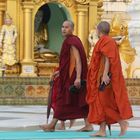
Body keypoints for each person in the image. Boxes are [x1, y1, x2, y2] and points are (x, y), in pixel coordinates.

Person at [40, 20, 93, 132]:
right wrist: (60, 72)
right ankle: (88, 124)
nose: (63, 29)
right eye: (62, 27)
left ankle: (52, 125)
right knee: (79, 100)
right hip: (69, 76)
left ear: (72, 29)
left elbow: (78, 60)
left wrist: (78, 77)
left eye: (67, 27)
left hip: (72, 78)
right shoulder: (69, 41)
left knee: (62, 100)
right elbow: (69, 62)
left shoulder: (72, 41)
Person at [86, 21, 133, 137]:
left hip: (104, 79)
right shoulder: (106, 41)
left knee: (104, 104)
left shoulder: (106, 41)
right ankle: (102, 130)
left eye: (96, 29)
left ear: (98, 30)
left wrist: (105, 74)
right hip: (99, 77)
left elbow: (107, 58)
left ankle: (123, 123)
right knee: (99, 103)